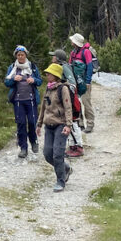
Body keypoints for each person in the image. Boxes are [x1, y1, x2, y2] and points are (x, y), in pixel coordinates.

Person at [38, 62, 73, 192]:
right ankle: (65, 168)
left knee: (57, 154)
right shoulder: (48, 88)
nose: (47, 75)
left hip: (61, 125)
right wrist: (39, 123)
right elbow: (43, 107)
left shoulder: (63, 89)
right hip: (48, 126)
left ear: (56, 75)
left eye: (49, 73)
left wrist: (68, 125)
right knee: (48, 154)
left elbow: (68, 107)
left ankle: (61, 181)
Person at [4, 45, 40, 158]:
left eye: (22, 55)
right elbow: (6, 82)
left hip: (31, 99)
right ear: (16, 56)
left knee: (32, 121)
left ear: (26, 55)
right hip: (18, 100)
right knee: (21, 124)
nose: (20, 57)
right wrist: (13, 79)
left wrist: (34, 80)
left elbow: (40, 81)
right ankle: (23, 148)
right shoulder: (12, 68)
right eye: (18, 55)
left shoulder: (32, 67)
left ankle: (33, 141)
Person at [52, 48, 85, 157]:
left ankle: (78, 147)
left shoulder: (64, 67)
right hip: (70, 99)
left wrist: (65, 97)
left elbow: (72, 83)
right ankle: (72, 146)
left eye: (53, 56)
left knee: (73, 122)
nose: (52, 58)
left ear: (57, 58)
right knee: (69, 122)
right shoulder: (64, 67)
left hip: (70, 100)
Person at [69, 33, 96, 133]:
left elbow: (89, 66)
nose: (71, 42)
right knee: (77, 102)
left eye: (72, 41)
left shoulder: (86, 52)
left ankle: (90, 124)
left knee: (86, 102)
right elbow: (69, 65)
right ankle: (80, 123)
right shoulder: (73, 53)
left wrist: (88, 81)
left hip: (84, 82)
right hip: (75, 82)